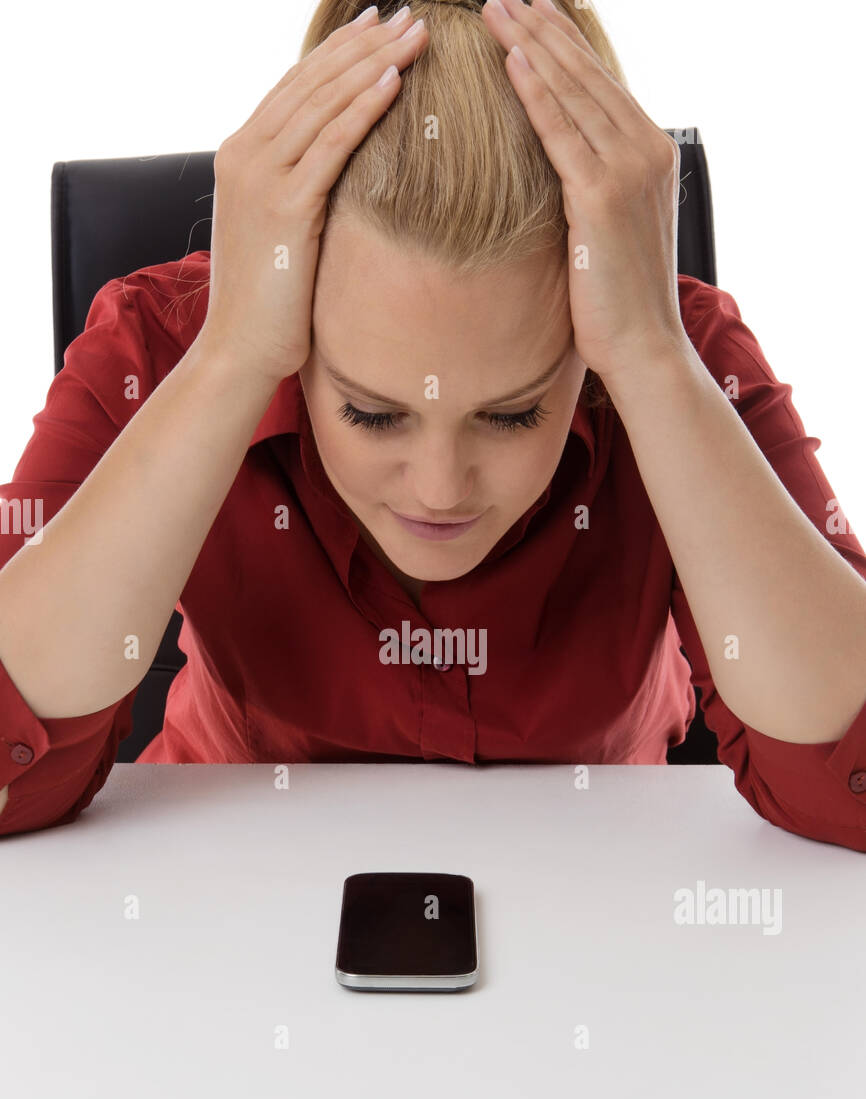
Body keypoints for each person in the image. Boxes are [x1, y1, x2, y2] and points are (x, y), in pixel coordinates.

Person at [1, 0, 865, 851]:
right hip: (228, 884)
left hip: (606, 895)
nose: (441, 489)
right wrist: (231, 356)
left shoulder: (675, 352)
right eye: (373, 412)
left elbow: (846, 795)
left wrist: (648, 356)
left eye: (514, 411)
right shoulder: (163, 341)